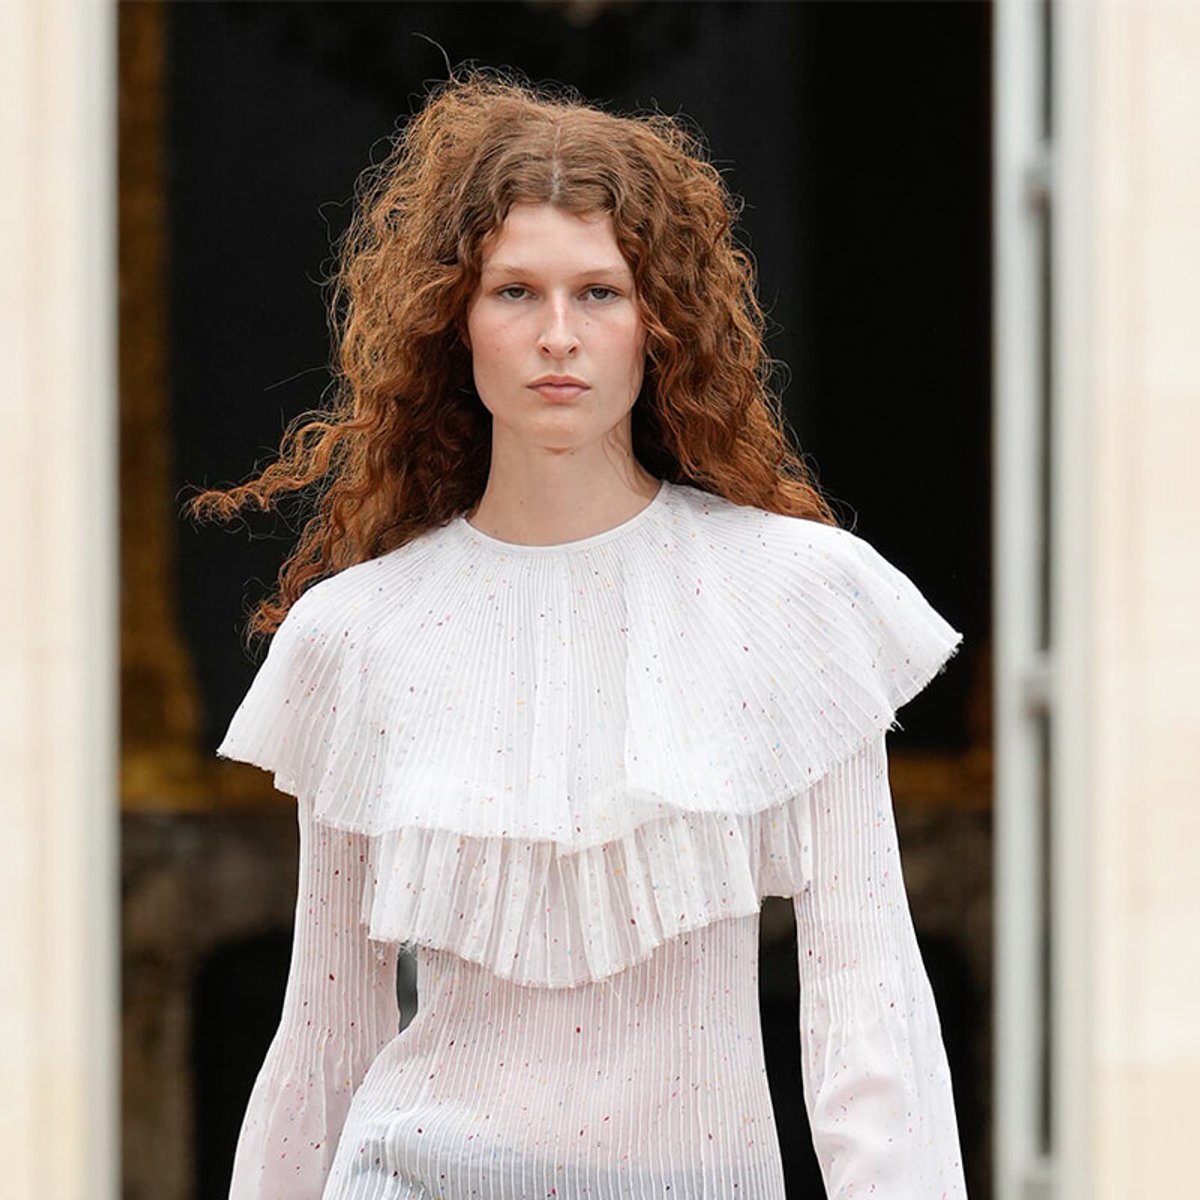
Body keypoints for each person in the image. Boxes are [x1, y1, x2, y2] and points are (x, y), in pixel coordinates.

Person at [191, 66, 969, 1200]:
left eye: (600, 292)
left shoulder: (794, 601)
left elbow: (869, 1011)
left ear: (661, 320)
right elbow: (323, 1034)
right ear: (455, 320)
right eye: (515, 291)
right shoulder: (356, 637)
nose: (558, 334)